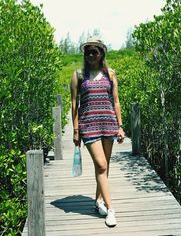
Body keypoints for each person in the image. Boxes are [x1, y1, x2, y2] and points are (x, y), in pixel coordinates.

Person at [70, 36, 125, 227]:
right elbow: (74, 104)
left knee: (105, 166)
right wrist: (76, 130)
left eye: (95, 51)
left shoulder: (110, 73)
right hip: (88, 125)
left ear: (102, 53)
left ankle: (98, 201)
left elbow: (116, 101)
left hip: (108, 123)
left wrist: (120, 126)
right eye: (88, 51)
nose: (91, 55)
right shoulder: (78, 75)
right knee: (101, 165)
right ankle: (111, 209)